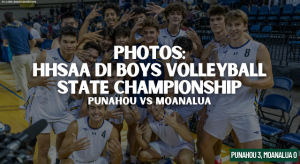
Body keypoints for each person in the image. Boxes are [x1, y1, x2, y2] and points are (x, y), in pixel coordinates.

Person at [200, 9, 274, 164]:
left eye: (237, 25)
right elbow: (219, 82)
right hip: (222, 106)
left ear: (245, 26)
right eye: (230, 25)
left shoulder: (258, 48)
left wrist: (249, 82)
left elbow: (269, 81)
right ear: (225, 28)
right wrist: (211, 82)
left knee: (256, 159)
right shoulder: (221, 51)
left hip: (245, 109)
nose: (233, 28)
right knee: (204, 145)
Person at [28, 26, 83, 164]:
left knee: (68, 146)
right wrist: (37, 81)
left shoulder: (79, 65)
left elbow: (74, 93)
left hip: (62, 112)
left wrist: (77, 93)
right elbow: (30, 81)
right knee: (44, 149)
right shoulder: (45, 56)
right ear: (59, 41)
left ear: (77, 42)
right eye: (65, 42)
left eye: (72, 42)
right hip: (41, 111)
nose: (69, 45)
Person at [128, 16, 166, 164]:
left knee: (155, 131)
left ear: (158, 33)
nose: (148, 35)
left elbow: (168, 78)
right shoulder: (136, 49)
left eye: (152, 32)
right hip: (139, 97)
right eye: (145, 32)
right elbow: (129, 76)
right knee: (135, 130)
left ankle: (152, 157)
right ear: (141, 34)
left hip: (157, 99)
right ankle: (132, 159)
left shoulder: (164, 51)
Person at [58, 94, 123, 164]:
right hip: (76, 161)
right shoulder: (75, 125)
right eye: (92, 108)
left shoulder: (112, 130)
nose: (96, 111)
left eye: (100, 107)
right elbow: (60, 156)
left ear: (106, 110)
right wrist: (72, 148)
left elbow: (115, 162)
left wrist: (118, 155)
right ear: (88, 110)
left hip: (96, 161)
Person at [136, 94, 194, 164]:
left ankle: (189, 158)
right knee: (142, 155)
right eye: (149, 105)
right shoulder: (147, 120)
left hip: (182, 146)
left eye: (155, 104)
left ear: (162, 104)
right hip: (166, 146)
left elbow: (189, 138)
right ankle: (164, 161)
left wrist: (175, 124)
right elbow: (145, 146)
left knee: (185, 159)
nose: (152, 108)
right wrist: (138, 138)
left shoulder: (173, 115)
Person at [2, 12, 36, 109]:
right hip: (28, 56)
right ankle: (36, 101)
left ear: (5, 20)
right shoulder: (23, 28)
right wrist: (29, 50)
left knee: (23, 83)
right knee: (31, 81)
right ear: (14, 17)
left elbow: (5, 41)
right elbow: (33, 41)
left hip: (18, 57)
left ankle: (27, 104)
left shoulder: (6, 30)